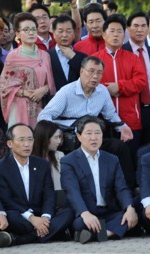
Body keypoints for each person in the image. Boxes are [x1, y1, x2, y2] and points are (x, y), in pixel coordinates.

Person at [37, 56, 136, 188]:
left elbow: (110, 114)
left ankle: (128, 188)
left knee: (120, 147)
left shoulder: (102, 91)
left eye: (99, 73)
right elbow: (44, 116)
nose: (95, 76)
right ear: (81, 71)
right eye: (91, 71)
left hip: (92, 136)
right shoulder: (67, 91)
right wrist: (62, 130)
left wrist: (122, 126)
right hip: (71, 138)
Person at [0, 124, 73, 247]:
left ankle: (17, 239)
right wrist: (31, 218)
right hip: (19, 214)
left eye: (30, 139)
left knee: (68, 212)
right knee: (11, 217)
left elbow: (49, 194)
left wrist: (45, 217)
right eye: (22, 140)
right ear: (10, 144)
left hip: (40, 213)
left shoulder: (42, 164)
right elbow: (6, 200)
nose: (27, 144)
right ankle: (55, 233)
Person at [60, 116, 138, 244]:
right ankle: (111, 231)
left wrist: (129, 208)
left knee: (133, 214)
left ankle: (98, 235)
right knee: (80, 224)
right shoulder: (69, 161)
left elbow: (121, 188)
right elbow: (72, 191)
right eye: (88, 133)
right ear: (79, 136)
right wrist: (85, 214)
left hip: (108, 212)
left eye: (97, 133)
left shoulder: (112, 159)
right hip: (85, 212)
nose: (94, 138)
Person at [93, 14, 147, 155]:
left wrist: (120, 87)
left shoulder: (133, 58)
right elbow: (89, 84)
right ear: (104, 34)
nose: (116, 35)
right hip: (102, 120)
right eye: (112, 31)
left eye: (119, 31)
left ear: (124, 36)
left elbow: (141, 82)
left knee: (129, 160)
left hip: (130, 119)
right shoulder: (95, 59)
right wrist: (107, 90)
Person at [0, 12, 56, 129]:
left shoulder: (45, 56)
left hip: (39, 106)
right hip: (19, 107)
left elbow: (50, 82)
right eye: (26, 29)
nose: (31, 32)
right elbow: (4, 86)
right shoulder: (13, 56)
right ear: (18, 34)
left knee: (38, 142)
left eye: (33, 29)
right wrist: (26, 93)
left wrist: (43, 90)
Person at [122, 11, 150, 145]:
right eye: (135, 26)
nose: (140, 30)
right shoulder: (122, 52)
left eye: (143, 26)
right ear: (128, 28)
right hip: (132, 108)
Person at [48, 15, 87, 91]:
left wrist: (74, 57)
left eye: (68, 31)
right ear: (54, 34)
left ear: (73, 34)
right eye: (60, 31)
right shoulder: (47, 56)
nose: (64, 35)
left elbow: (88, 76)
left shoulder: (83, 57)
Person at [32, 120, 64, 191]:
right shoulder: (29, 160)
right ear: (45, 138)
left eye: (59, 137)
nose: (59, 141)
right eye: (56, 137)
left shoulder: (59, 156)